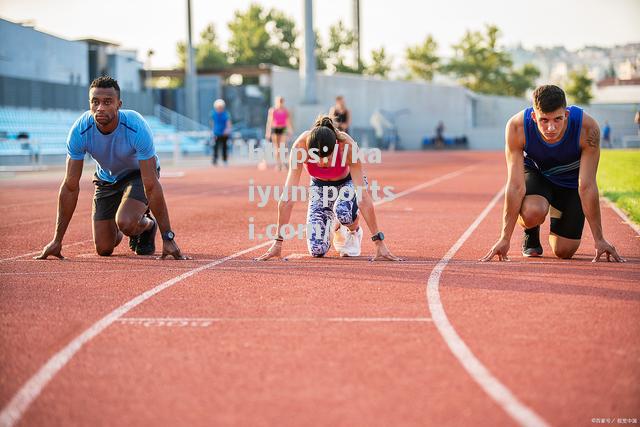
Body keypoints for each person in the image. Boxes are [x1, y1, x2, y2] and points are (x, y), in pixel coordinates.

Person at [35, 76, 189, 260]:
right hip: (107, 179)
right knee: (104, 248)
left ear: (118, 104)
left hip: (137, 174)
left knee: (126, 221)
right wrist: (57, 240)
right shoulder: (80, 130)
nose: (100, 107)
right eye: (95, 102)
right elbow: (70, 186)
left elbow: (151, 185)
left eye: (107, 102)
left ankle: (147, 226)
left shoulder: (136, 126)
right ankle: (127, 218)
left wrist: (168, 237)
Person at [481, 84, 624, 263]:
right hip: (538, 175)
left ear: (567, 114)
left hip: (570, 183)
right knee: (533, 212)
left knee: (564, 251)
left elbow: (586, 185)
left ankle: (555, 208)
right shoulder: (517, 127)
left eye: (558, 119)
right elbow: (516, 185)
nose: (551, 128)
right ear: (534, 117)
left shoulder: (587, 129)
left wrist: (599, 239)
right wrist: (505, 238)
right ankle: (531, 230)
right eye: (544, 120)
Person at [257, 116, 400, 261]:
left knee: (343, 211)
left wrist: (378, 241)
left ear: (336, 147)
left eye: (328, 157)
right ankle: (335, 228)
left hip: (348, 183)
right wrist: (278, 242)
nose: (322, 163)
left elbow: (362, 197)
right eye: (316, 157)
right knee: (317, 249)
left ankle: (353, 231)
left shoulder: (347, 146)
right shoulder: (300, 148)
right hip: (320, 187)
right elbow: (287, 198)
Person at [265, 96, 293, 171]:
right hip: (275, 129)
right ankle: (278, 164)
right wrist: (268, 132)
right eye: (279, 101)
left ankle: (283, 164)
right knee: (276, 148)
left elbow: (288, 121)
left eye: (281, 101)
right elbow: (270, 122)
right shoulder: (273, 110)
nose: (280, 103)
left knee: (283, 147)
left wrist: (290, 130)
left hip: (283, 128)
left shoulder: (285, 110)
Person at [210, 99, 232, 166]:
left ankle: (225, 160)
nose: (219, 108)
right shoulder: (213, 113)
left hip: (224, 133)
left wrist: (228, 129)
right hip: (216, 133)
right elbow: (212, 122)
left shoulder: (226, 114)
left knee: (224, 147)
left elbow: (228, 122)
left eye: (220, 107)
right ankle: (215, 160)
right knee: (215, 147)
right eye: (218, 107)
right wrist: (212, 131)